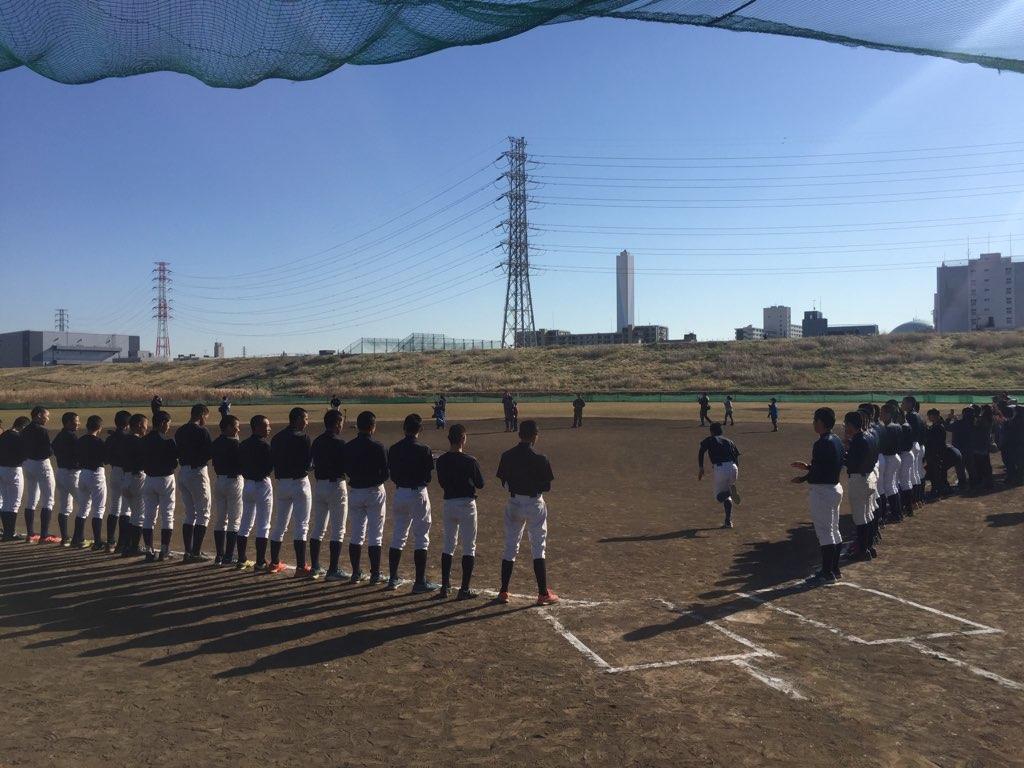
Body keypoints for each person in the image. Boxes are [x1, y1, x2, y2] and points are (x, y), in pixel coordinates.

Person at [495, 419, 559, 606]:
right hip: (534, 504)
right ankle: (542, 593)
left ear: (519, 434)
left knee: (510, 546)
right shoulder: (540, 458)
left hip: (514, 503)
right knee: (538, 547)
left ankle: (503, 591)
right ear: (534, 436)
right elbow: (547, 487)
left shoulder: (507, 455)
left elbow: (503, 481)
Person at [790, 407, 845, 585]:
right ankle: (834, 569)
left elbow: (819, 471)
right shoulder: (837, 440)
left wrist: (803, 478)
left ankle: (827, 573)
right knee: (834, 529)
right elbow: (828, 465)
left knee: (824, 532)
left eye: (815, 420)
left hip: (822, 491)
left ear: (821, 422)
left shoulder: (821, 443)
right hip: (834, 488)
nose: (813, 423)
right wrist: (807, 468)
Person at [386, 413, 439, 592]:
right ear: (420, 429)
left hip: (400, 492)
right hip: (418, 493)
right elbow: (428, 477)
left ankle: (393, 578)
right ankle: (420, 582)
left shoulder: (394, 448)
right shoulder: (424, 449)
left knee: (398, 535)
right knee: (421, 537)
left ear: (404, 428)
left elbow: (392, 473)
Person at [435, 423, 484, 599]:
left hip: (449, 503)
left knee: (448, 544)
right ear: (463, 439)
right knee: (469, 546)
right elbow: (480, 484)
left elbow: (442, 482)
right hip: (467, 504)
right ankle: (464, 589)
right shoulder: (470, 461)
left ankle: (445, 586)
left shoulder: (441, 460)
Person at [343, 411, 389, 584]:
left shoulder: (349, 446)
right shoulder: (378, 447)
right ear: (372, 427)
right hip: (374, 491)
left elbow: (346, 469)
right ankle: (375, 574)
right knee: (375, 534)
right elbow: (385, 473)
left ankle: (356, 573)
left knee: (356, 533)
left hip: (356, 491)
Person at [269, 407, 313, 575]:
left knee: (280, 524)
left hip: (282, 484)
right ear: (298, 419)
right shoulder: (304, 438)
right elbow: (309, 463)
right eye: (305, 419)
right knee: (301, 525)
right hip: (299, 483)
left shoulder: (277, 437)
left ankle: (274, 562)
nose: (307, 423)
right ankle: (301, 566)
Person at [310, 409, 349, 581]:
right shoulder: (340, 443)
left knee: (318, 528)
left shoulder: (317, 441)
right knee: (338, 529)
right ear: (337, 424)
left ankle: (315, 566)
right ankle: (333, 569)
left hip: (320, 485)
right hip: (336, 485)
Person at [176, 404, 214, 562]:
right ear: (201, 415)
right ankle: (196, 552)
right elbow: (210, 452)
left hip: (183, 471)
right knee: (203, 513)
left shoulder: (180, 430)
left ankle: (188, 551)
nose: (206, 420)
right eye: (206, 417)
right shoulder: (202, 431)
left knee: (190, 513)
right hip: (197, 472)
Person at [236, 415, 274, 571]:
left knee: (245, 523)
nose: (269, 429)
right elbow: (269, 467)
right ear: (257, 427)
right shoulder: (265, 445)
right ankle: (260, 561)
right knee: (263, 525)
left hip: (248, 485)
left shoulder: (244, 444)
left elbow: (239, 464)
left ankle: (241, 559)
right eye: (266, 426)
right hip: (262, 484)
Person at [140, 410, 178, 562]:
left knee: (149, 516)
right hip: (165, 479)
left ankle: (149, 550)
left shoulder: (144, 440)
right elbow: (174, 463)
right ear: (163, 423)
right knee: (167, 515)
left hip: (149, 479)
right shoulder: (168, 442)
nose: (168, 427)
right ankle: (164, 550)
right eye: (168, 424)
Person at [210, 414, 244, 565]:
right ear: (229, 427)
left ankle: (219, 555)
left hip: (219, 481)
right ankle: (229, 556)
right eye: (236, 426)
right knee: (234, 520)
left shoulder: (216, 442)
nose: (238, 429)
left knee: (220, 519)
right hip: (234, 481)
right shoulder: (235, 444)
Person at [842, 411, 876, 562]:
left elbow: (852, 462)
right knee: (868, 514)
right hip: (870, 477)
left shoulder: (858, 440)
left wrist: (844, 453)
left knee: (860, 517)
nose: (845, 427)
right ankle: (869, 546)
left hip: (859, 479)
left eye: (846, 424)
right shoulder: (869, 436)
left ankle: (862, 550)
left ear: (850, 425)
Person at [73, 415, 108, 551]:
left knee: (83, 507)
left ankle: (77, 538)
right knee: (98, 509)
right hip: (96, 474)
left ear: (87, 426)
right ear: (99, 428)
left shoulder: (80, 440)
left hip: (83, 474)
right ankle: (97, 541)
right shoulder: (99, 442)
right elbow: (105, 459)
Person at [21, 405, 55, 544]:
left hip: (28, 464)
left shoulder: (25, 430)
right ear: (39, 415)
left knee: (31, 499)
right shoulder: (42, 431)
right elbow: (48, 451)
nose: (48, 419)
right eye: (46, 416)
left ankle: (30, 534)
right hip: (41, 464)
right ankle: (44, 535)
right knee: (48, 499)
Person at [697, 422, 741, 528]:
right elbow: (736, 457)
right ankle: (728, 522)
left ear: (711, 432)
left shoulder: (710, 439)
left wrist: (701, 467)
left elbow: (701, 451)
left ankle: (730, 492)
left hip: (721, 469)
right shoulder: (729, 441)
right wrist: (735, 469)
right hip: (733, 467)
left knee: (719, 497)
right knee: (726, 496)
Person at [120, 414, 148, 557]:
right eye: (145, 425)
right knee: (139, 515)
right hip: (137, 478)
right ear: (139, 425)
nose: (146, 428)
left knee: (132, 514)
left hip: (126, 477)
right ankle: (134, 547)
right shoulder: (139, 442)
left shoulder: (124, 440)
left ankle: (127, 545)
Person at [50, 411, 80, 545]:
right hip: (72, 474)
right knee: (85, 505)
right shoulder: (72, 436)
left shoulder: (60, 435)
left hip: (61, 472)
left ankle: (65, 538)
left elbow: (53, 448)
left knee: (64, 506)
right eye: (76, 421)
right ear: (68, 423)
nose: (78, 423)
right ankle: (78, 538)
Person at [0, 417, 28, 541]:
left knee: (5, 502)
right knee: (14, 503)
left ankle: (7, 532)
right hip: (13, 470)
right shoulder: (18, 437)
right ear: (23, 427)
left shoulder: (4, 435)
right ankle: (10, 533)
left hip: (1, 469)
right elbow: (24, 455)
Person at [878, 404, 904, 522]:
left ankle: (895, 513)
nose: (880, 415)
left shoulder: (888, 428)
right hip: (895, 457)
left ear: (889, 414)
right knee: (892, 485)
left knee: (888, 486)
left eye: (882, 413)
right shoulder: (897, 426)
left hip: (889, 458)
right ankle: (897, 512)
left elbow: (884, 445)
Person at [924, 408, 949, 498]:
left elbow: (933, 440)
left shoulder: (938, 427)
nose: (929, 417)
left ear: (935, 416)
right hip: (937, 453)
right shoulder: (937, 425)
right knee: (937, 473)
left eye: (930, 416)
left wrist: (927, 430)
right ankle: (941, 489)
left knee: (936, 473)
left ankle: (938, 490)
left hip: (936, 454)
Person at [971, 405, 995, 492]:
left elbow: (976, 429)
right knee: (985, 464)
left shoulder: (983, 420)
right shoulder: (988, 418)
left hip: (980, 444)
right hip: (984, 443)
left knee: (981, 465)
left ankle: (984, 483)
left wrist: (975, 420)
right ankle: (988, 482)